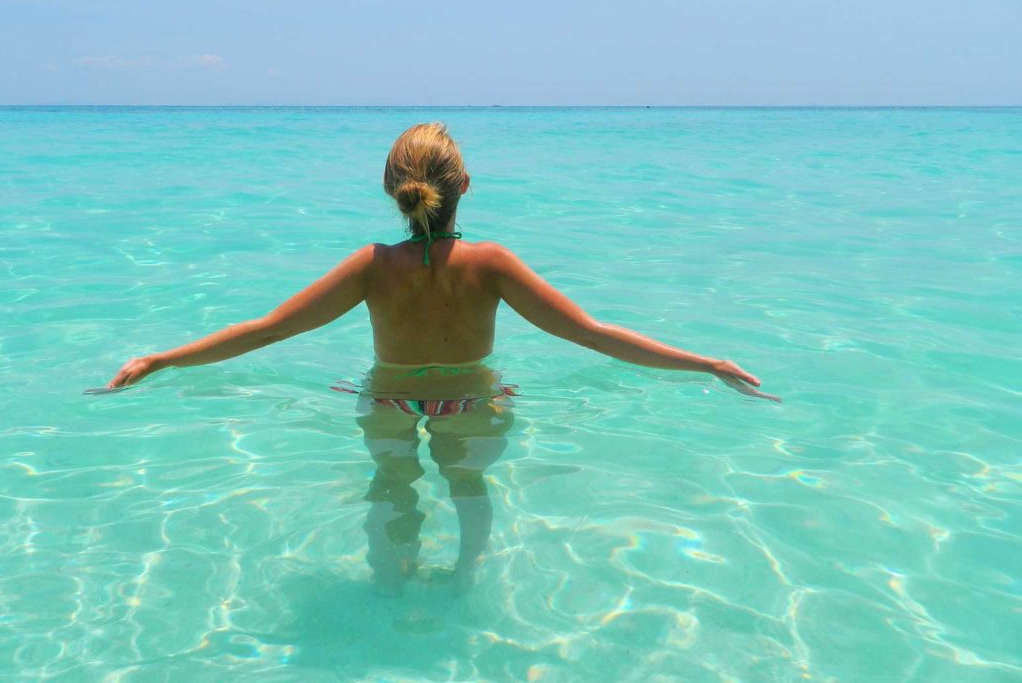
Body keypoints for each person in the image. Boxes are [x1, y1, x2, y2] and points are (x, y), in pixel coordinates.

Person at [103, 122, 779, 593]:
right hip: (473, 403)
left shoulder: (371, 266)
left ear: (392, 189)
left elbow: (269, 328)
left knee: (390, 487)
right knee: (468, 486)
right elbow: (594, 334)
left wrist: (164, 358)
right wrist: (706, 362)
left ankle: (390, 582)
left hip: (390, 401)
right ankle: (465, 579)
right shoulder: (491, 263)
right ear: (466, 185)